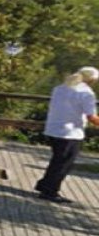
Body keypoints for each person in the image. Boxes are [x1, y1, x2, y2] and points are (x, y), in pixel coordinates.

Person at [34, 67, 99, 203]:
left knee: (57, 160)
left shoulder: (60, 88)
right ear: (92, 80)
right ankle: (50, 191)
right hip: (70, 133)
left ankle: (45, 184)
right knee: (63, 164)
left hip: (53, 129)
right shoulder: (86, 93)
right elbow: (91, 116)